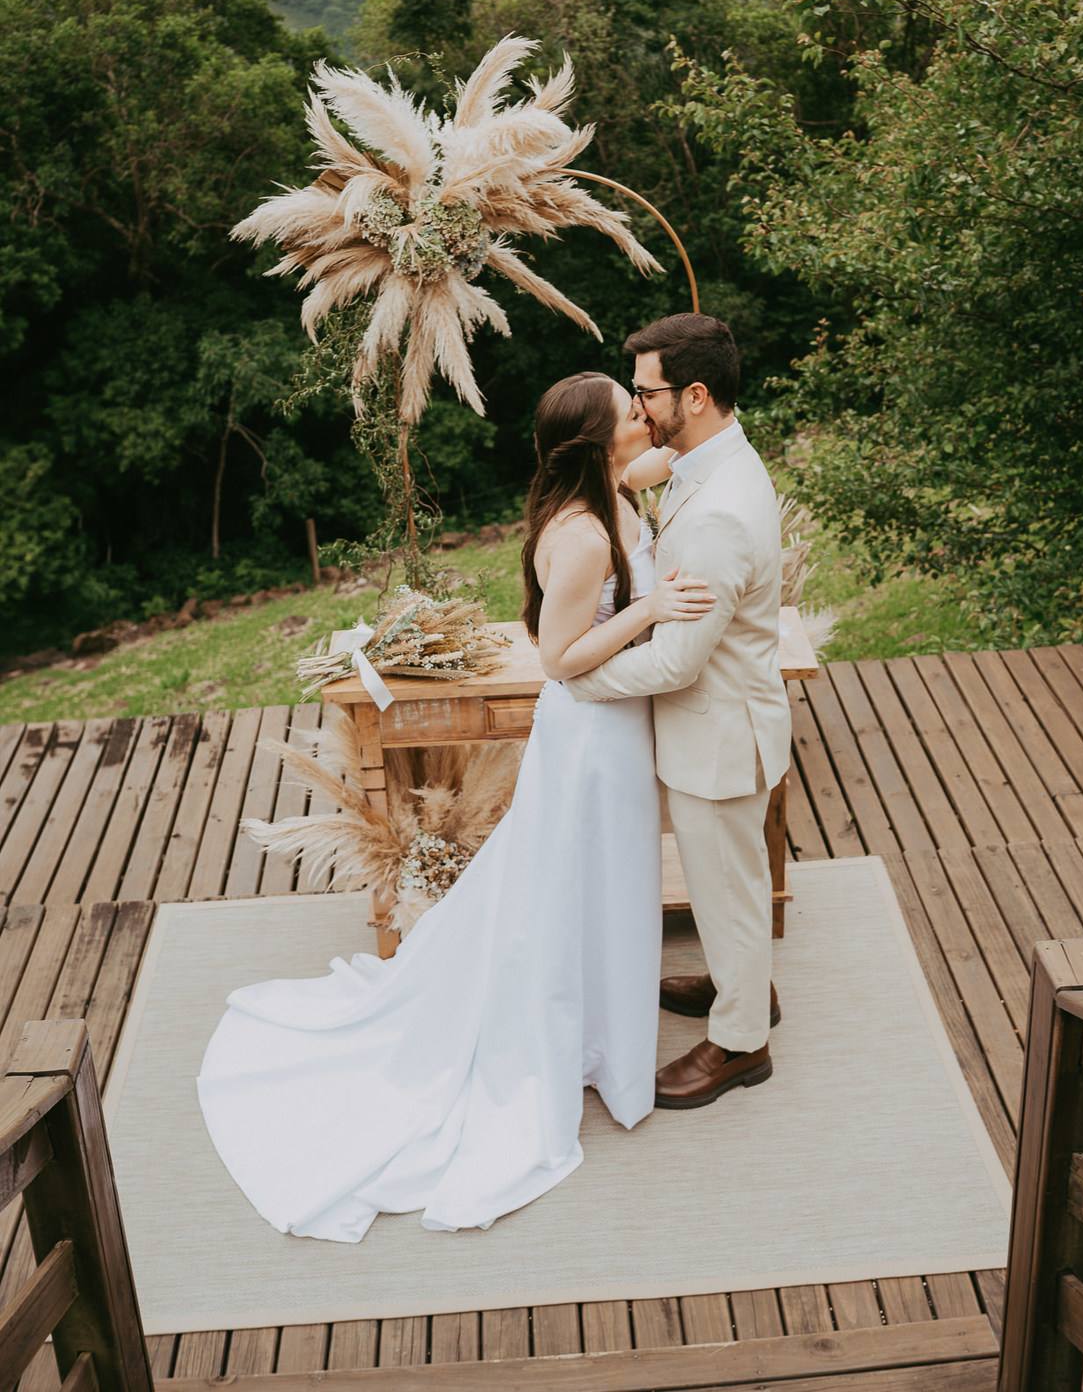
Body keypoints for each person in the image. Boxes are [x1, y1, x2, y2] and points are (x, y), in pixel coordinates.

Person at [196, 371, 714, 1239]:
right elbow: (558, 656)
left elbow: (659, 463)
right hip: (591, 738)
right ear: (598, 442)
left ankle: (602, 1042)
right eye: (633, 411)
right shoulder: (584, 536)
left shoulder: (611, 491)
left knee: (605, 886)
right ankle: (577, 1051)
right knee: (578, 885)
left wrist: (692, 461)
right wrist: (654, 607)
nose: (646, 415)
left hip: (612, 733)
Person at [566, 314, 793, 1111]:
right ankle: (744, 983)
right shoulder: (709, 457)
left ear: (694, 395)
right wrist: (628, 481)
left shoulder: (720, 512)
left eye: (646, 392)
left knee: (726, 883)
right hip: (727, 720)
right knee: (723, 878)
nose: (638, 405)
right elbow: (659, 481)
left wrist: (577, 681)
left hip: (719, 732)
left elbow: (675, 661)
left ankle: (741, 1042)